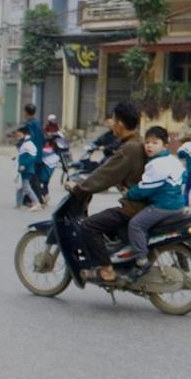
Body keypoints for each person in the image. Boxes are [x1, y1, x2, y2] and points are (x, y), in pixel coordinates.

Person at [66, 103, 147, 284]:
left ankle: (107, 271)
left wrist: (80, 188)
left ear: (120, 124)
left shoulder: (130, 148)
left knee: (89, 225)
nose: (111, 125)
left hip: (134, 207)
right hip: (143, 203)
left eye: (114, 121)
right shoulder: (137, 142)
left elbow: (106, 174)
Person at [124, 126, 188, 281]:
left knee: (136, 225)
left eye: (155, 142)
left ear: (164, 145)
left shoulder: (156, 164)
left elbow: (145, 189)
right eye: (147, 142)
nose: (149, 146)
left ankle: (142, 261)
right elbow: (184, 177)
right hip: (179, 206)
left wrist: (129, 193)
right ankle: (182, 260)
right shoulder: (173, 160)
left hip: (163, 207)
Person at [13, 125, 43, 211]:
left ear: (24, 134)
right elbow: (22, 155)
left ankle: (37, 203)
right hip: (22, 168)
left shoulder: (29, 144)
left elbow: (31, 157)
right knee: (20, 187)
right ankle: (18, 204)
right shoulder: (24, 143)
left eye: (19, 134)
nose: (18, 136)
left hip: (27, 169)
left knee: (26, 187)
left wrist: (24, 165)